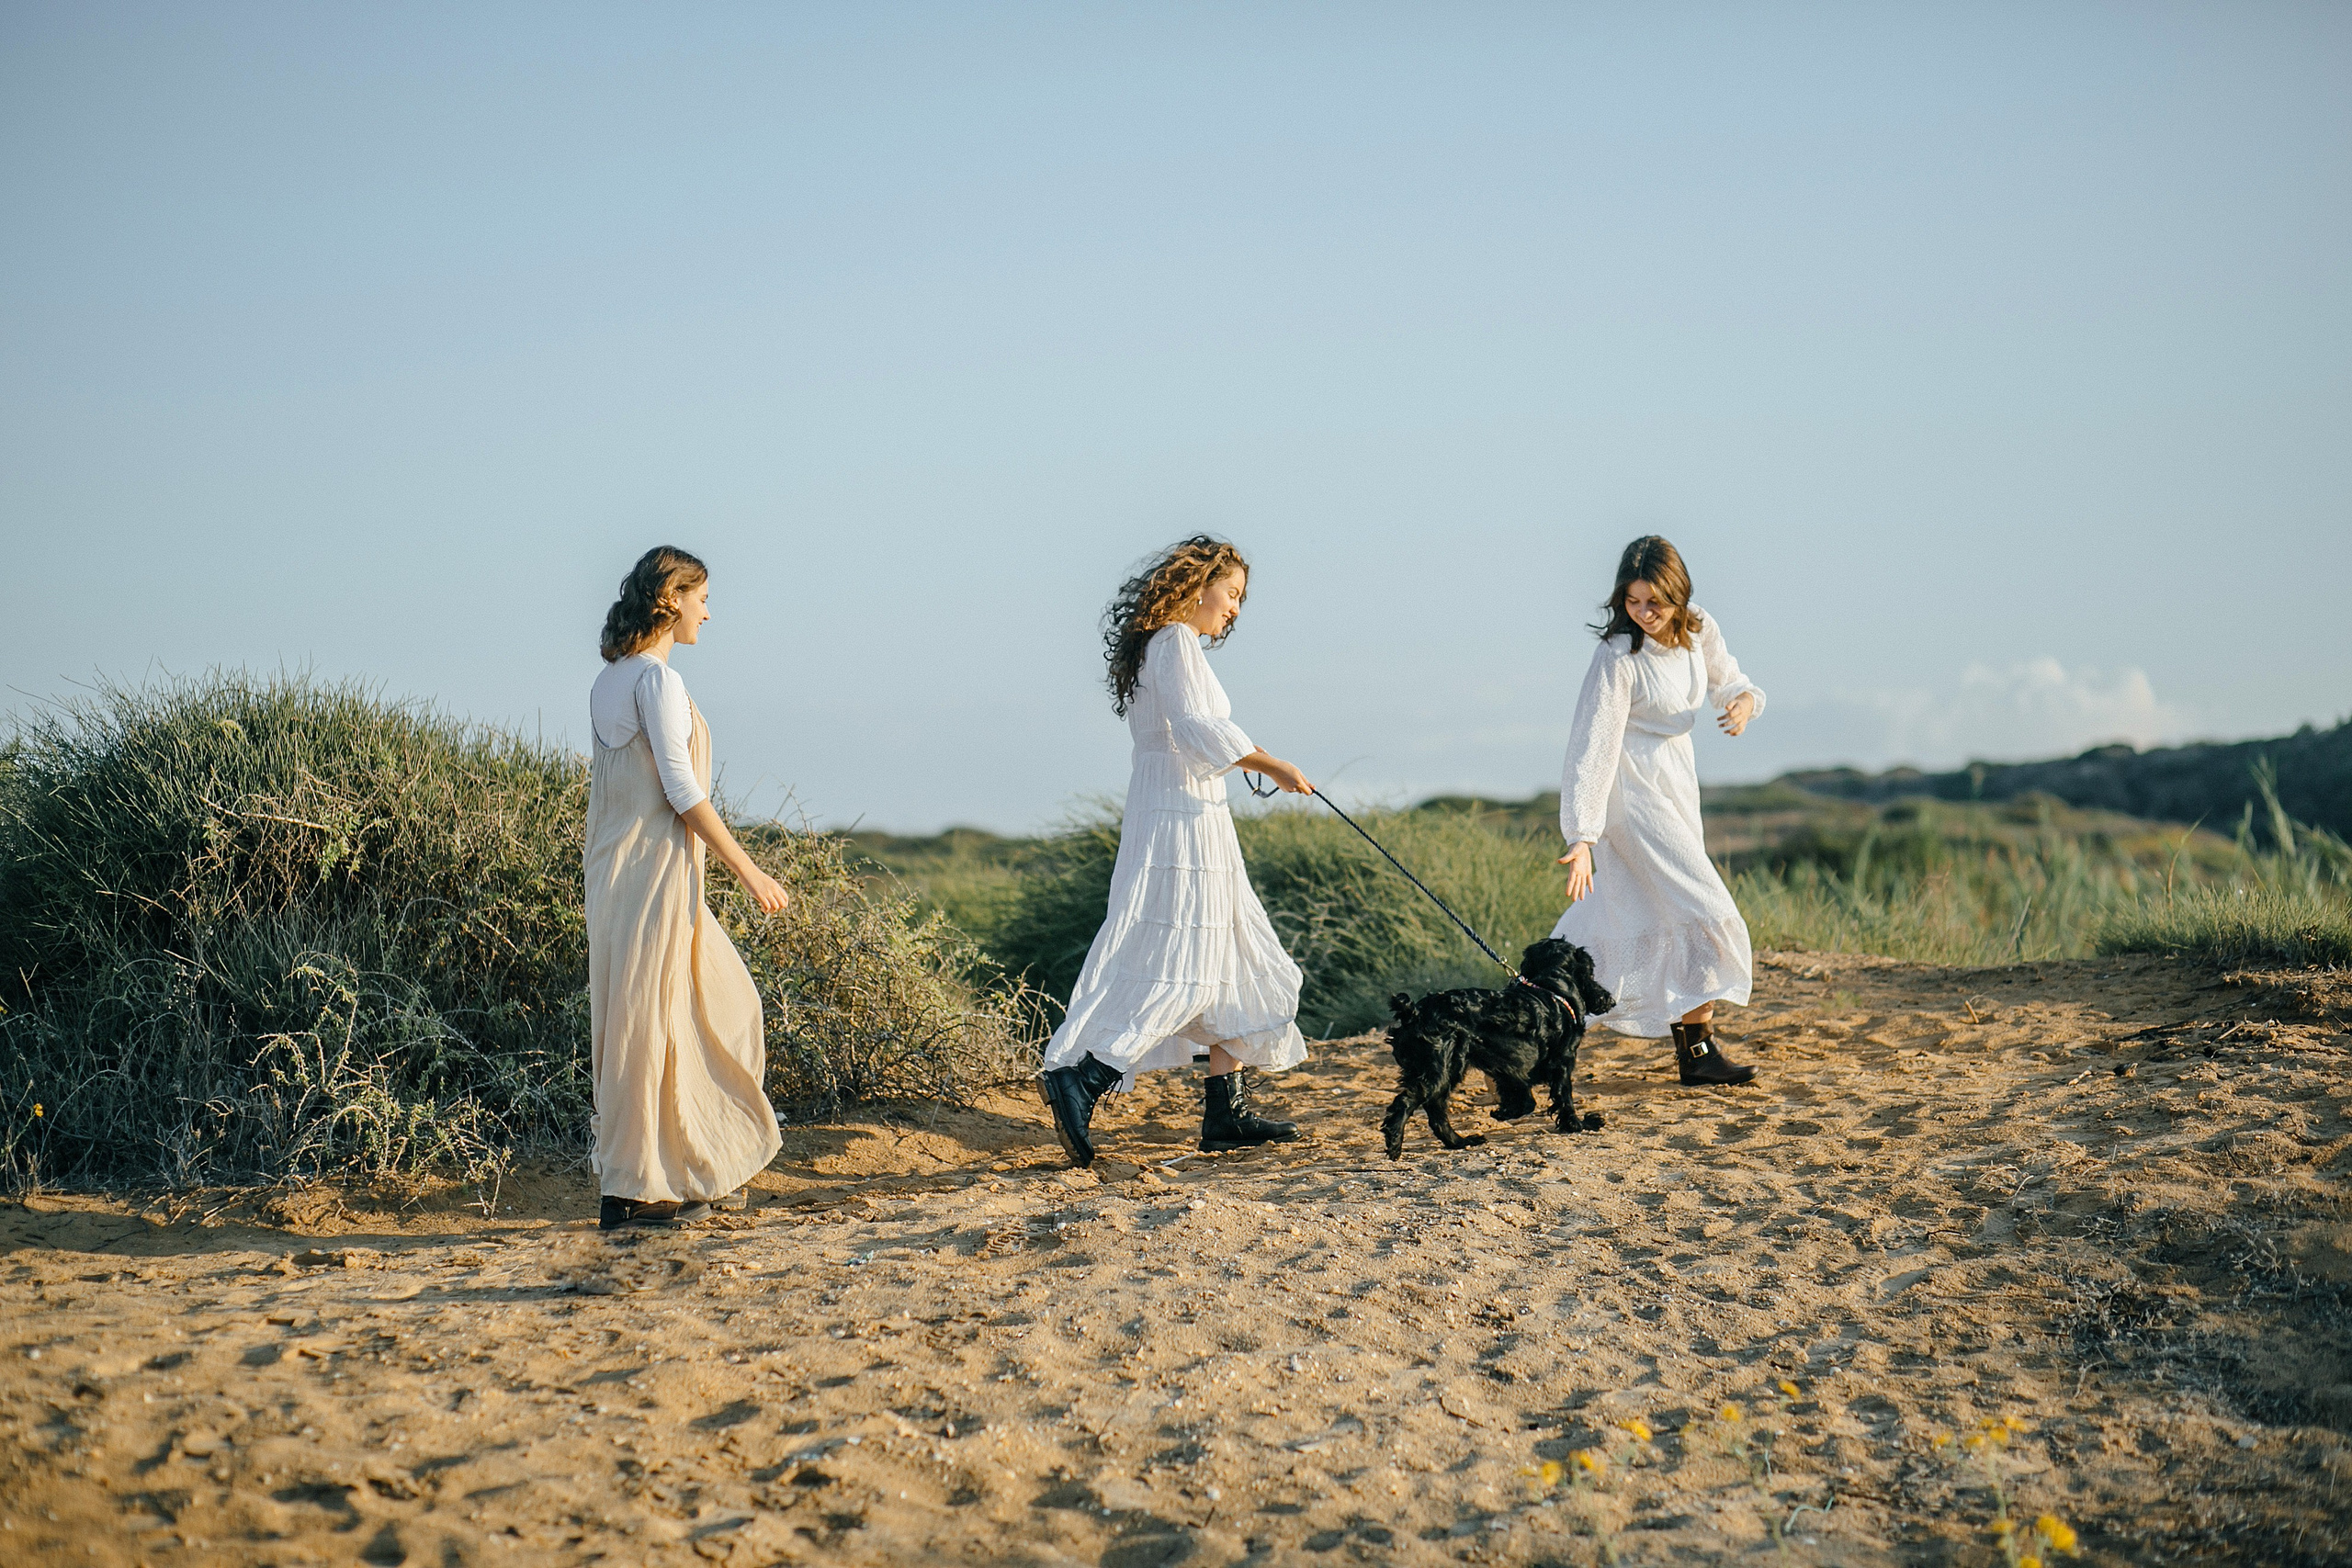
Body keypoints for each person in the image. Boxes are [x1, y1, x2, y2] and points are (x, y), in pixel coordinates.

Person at [1037, 536, 1315, 1167]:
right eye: (1234, 593)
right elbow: (1194, 728)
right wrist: (1272, 764)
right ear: (1199, 583)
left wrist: (1251, 761)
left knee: (1236, 953)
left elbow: (1189, 736)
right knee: (1180, 963)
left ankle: (1226, 1112)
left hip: (1192, 815)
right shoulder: (1176, 642)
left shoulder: (1164, 646)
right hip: (1180, 825)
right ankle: (1086, 1077)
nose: (1236, 610)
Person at [584, 547, 789, 1229]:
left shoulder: (608, 680)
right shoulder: (657, 682)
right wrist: (750, 868)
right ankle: (637, 1189)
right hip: (653, 876)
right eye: (701, 595)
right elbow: (682, 792)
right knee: (661, 1023)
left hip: (615, 872)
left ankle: (685, 1170)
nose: (709, 608)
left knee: (670, 1016)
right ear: (671, 598)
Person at [1553, 536, 1765, 1086]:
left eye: (1654, 603)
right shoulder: (1618, 657)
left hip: (1676, 782)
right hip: (1629, 795)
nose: (1643, 613)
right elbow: (1592, 746)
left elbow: (1730, 680)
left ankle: (1537, 1015)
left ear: (1678, 595)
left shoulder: (1698, 629)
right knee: (1707, 909)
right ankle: (1698, 1049)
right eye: (1632, 601)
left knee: (1627, 914)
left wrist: (1743, 702)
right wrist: (1582, 835)